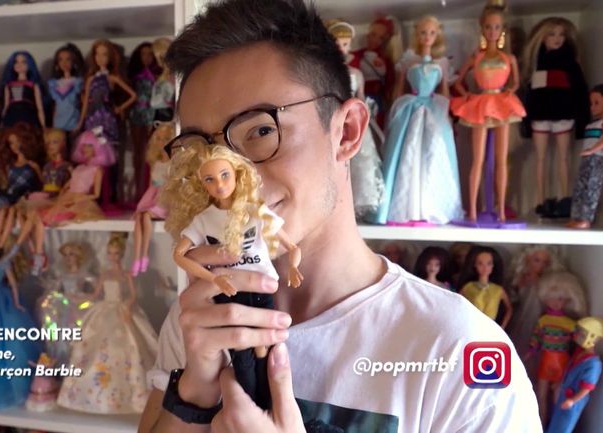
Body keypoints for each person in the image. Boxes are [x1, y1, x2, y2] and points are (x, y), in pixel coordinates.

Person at [138, 1, 541, 432]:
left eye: (261, 131)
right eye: (203, 152)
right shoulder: (202, 314)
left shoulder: (461, 353)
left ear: (347, 132)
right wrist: (194, 395)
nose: (235, 183)